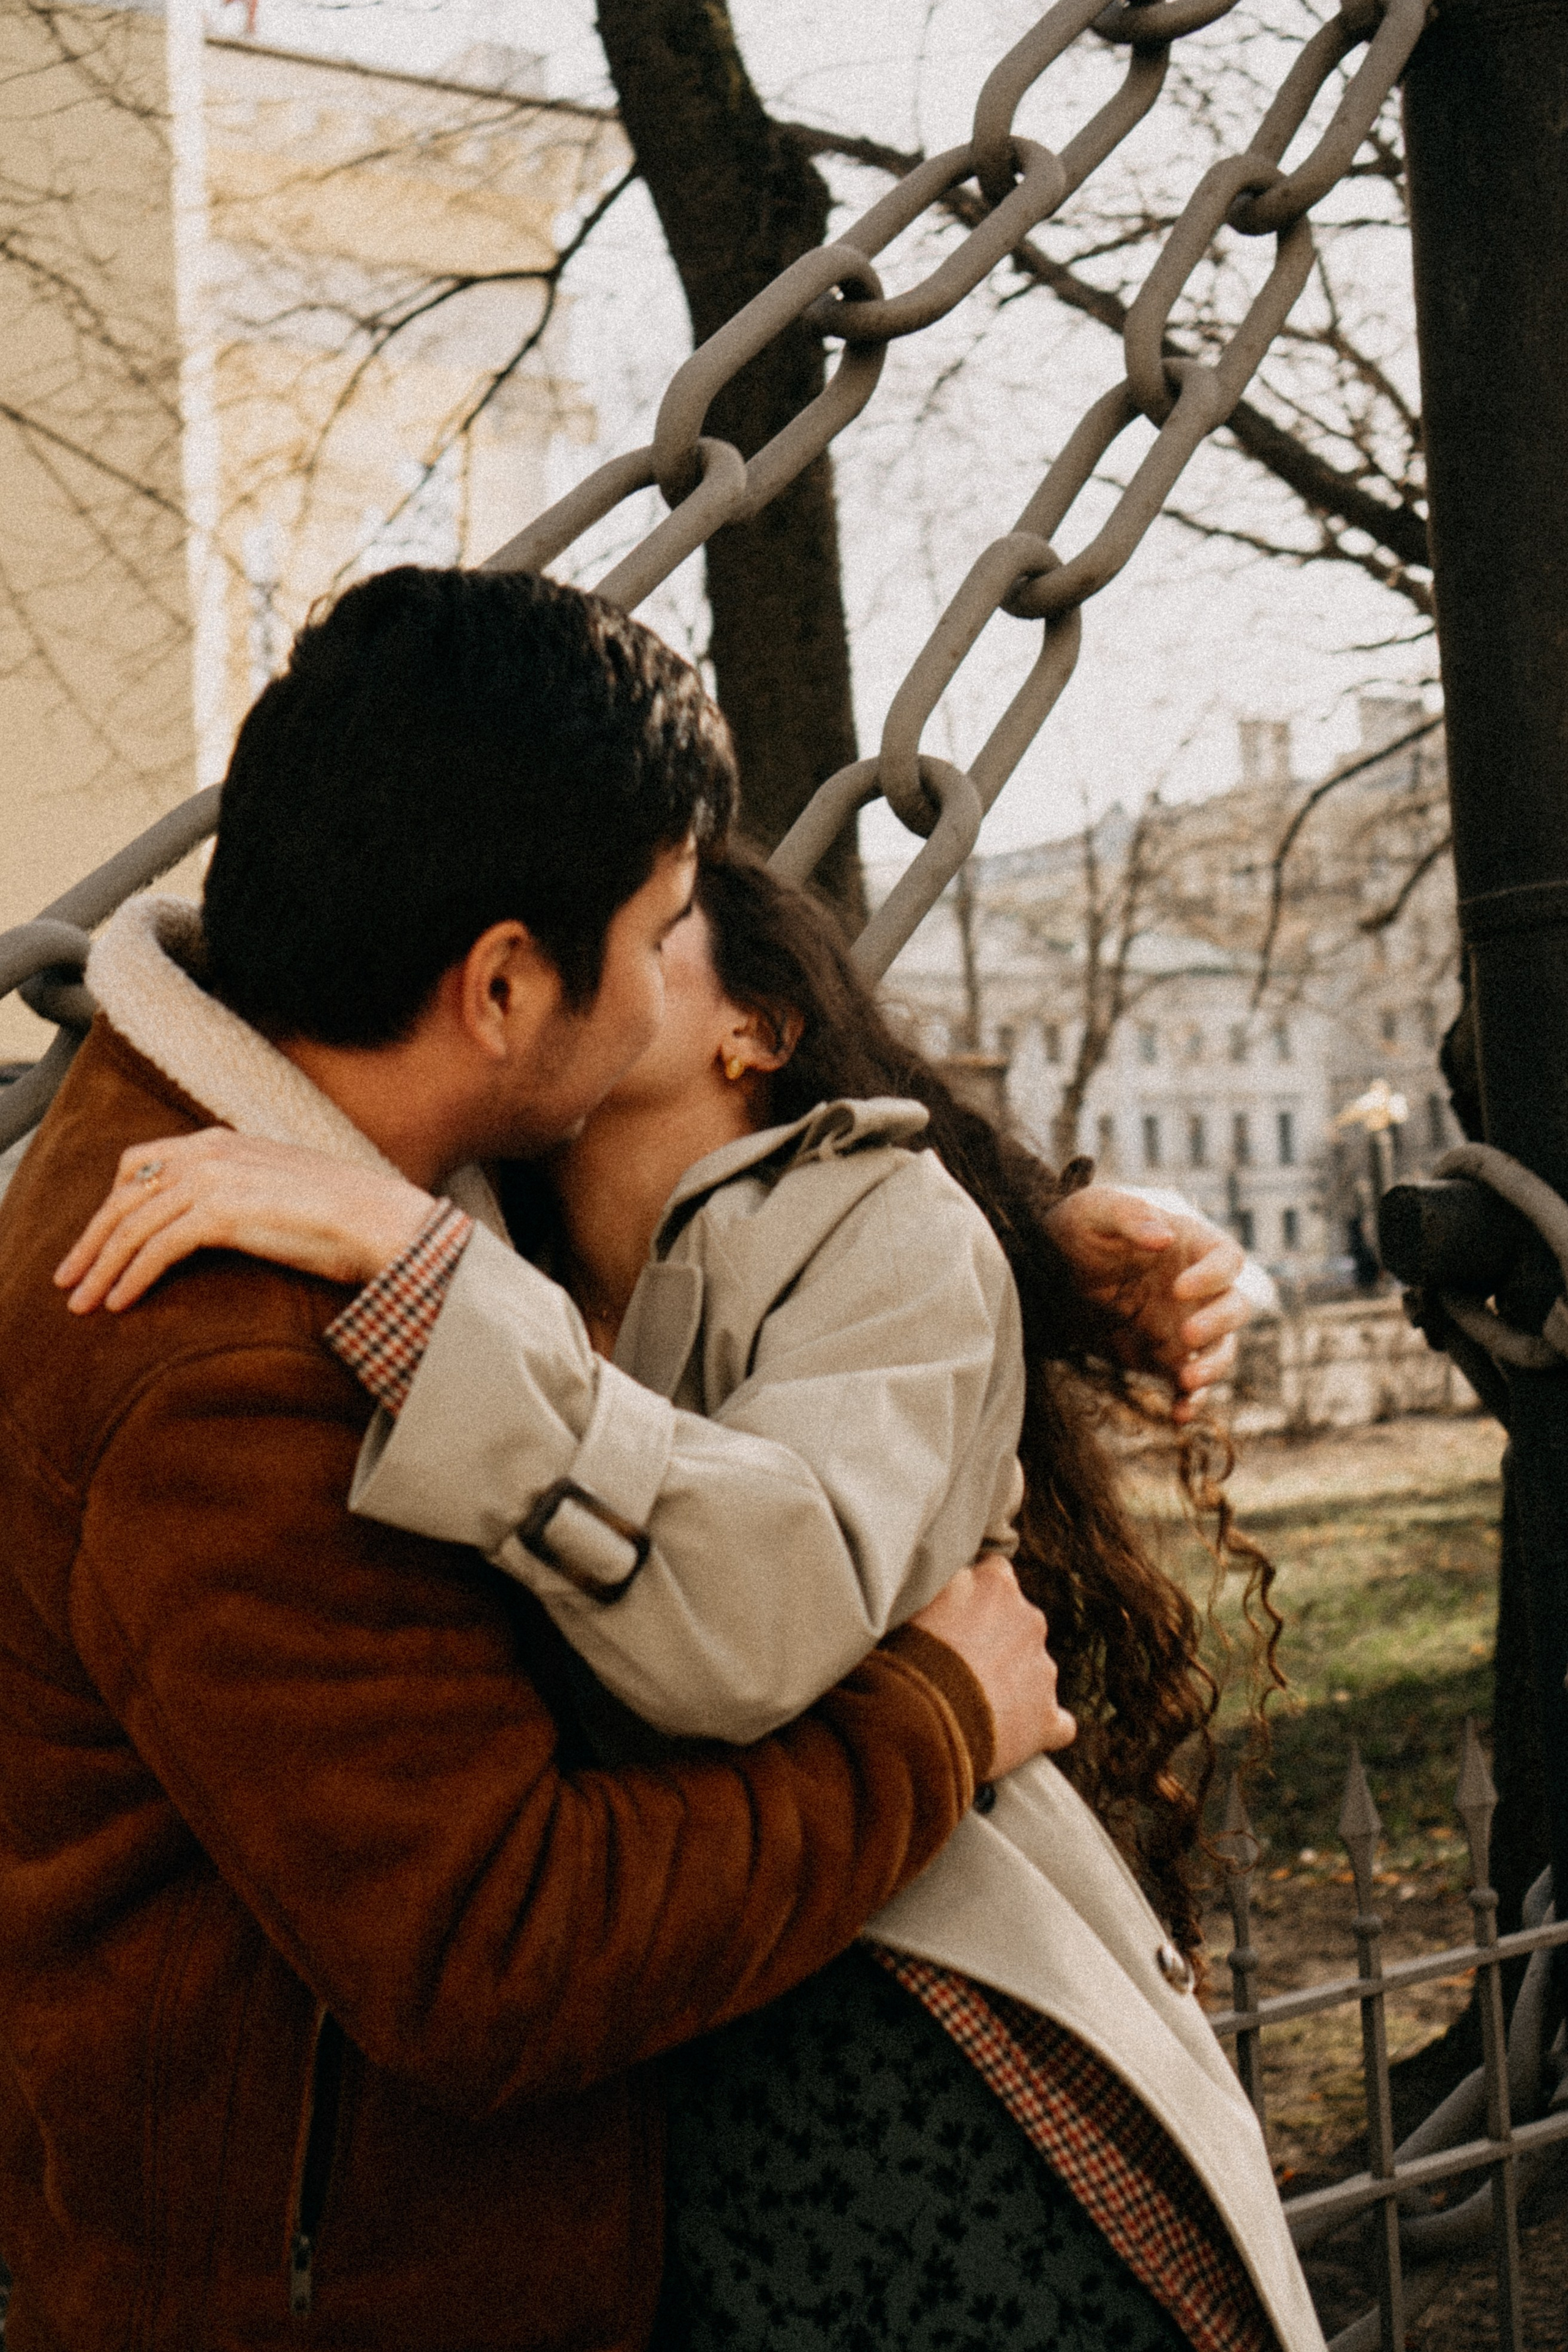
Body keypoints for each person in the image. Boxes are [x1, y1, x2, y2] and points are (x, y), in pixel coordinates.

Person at [0, 568, 1069, 2352]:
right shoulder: (226, 1372)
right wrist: (938, 1722)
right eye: (655, 935)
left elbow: (751, 1268)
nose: (660, 995)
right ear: (501, 984)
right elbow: (501, 1952)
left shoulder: (346, 1170)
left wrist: (1087, 1253)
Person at [61, 840, 1321, 2346]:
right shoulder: (482, 1227)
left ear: (755, 1030)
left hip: (913, 2042)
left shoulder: (851, 1225)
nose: (582, 946)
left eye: (657, 926)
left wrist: (424, 1274)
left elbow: (751, 1612)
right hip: (652, 2092)